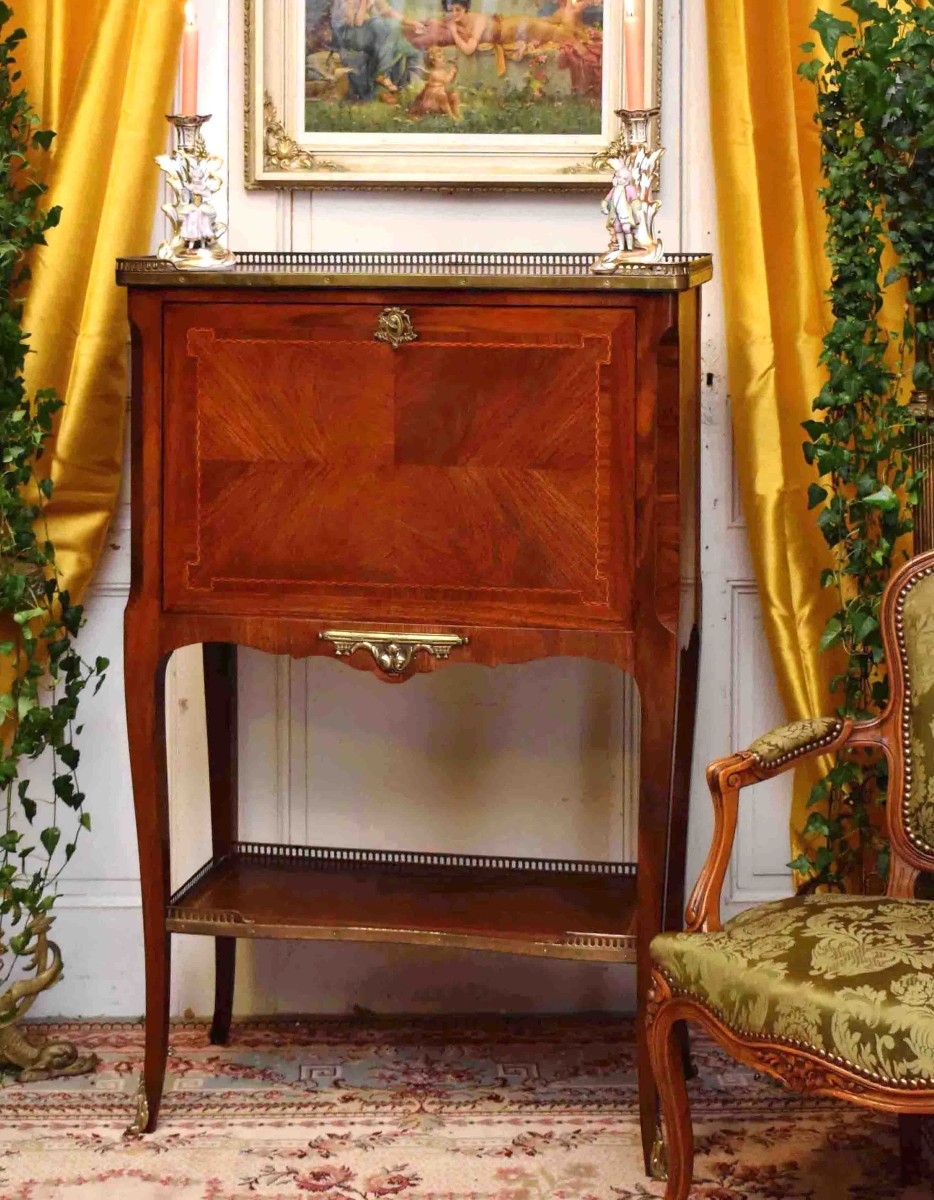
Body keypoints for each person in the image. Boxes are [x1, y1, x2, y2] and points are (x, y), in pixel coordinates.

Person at [329, 0, 422, 101]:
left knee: (393, 30)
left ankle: (395, 81)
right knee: (378, 24)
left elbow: (386, 11)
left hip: (364, 31)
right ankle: (381, 74)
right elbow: (358, 23)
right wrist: (364, 2)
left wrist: (411, 22)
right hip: (347, 34)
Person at [408, 46, 461, 119]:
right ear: (433, 62)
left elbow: (450, 81)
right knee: (442, 95)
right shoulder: (434, 73)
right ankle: (451, 116)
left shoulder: (442, 71)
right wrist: (452, 71)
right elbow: (446, 80)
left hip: (440, 97)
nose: (443, 58)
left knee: (455, 95)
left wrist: (454, 73)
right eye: (439, 57)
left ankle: (457, 114)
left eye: (443, 55)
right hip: (433, 100)